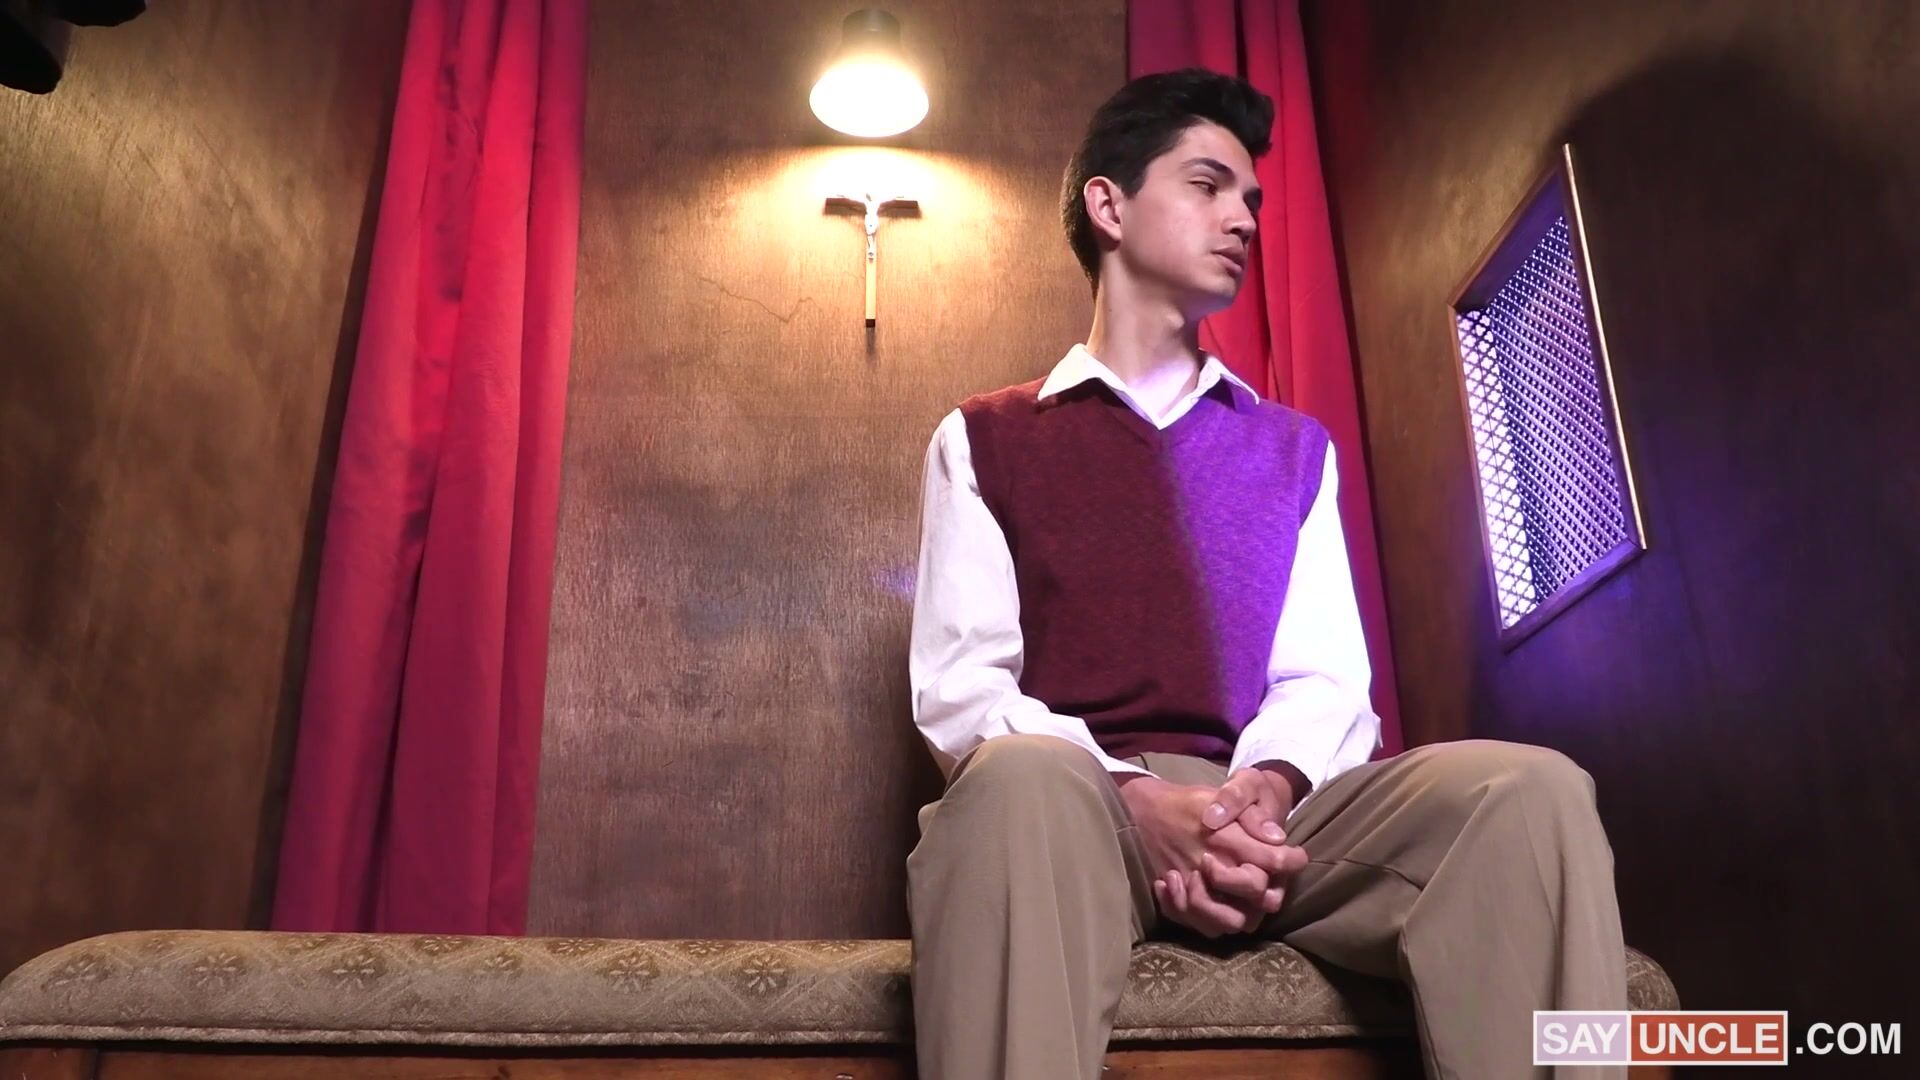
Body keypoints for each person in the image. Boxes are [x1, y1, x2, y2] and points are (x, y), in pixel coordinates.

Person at [904, 68, 1628, 1080]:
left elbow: (1324, 680)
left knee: (1532, 790)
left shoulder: (1293, 449)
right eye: (1207, 186)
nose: (1243, 218)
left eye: (1249, 197)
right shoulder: (983, 436)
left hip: (1273, 815)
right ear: (1109, 206)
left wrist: (1261, 794)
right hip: (1076, 810)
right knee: (1018, 779)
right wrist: (1133, 799)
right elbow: (962, 689)